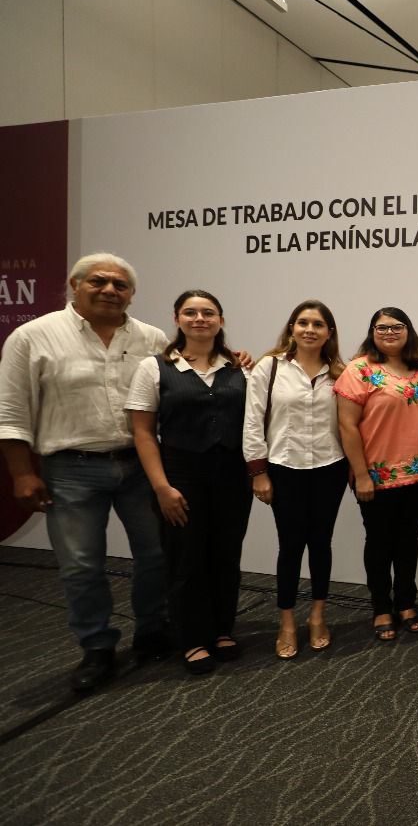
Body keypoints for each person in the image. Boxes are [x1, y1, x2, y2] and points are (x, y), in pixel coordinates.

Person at [0, 254, 170, 691]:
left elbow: (183, 382)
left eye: (120, 285)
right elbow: (11, 411)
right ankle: (96, 647)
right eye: (98, 281)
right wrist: (21, 473)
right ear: (75, 285)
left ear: (132, 294)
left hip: (139, 466)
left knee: (157, 554)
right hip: (70, 468)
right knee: (80, 565)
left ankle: (153, 630)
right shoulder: (32, 337)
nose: (109, 290)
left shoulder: (152, 338)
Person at [127, 289, 251, 675]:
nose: (200, 319)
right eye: (190, 312)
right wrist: (161, 488)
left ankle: (222, 629)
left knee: (225, 554)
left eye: (208, 313)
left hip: (232, 476)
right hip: (180, 476)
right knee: (185, 557)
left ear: (221, 320)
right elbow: (143, 433)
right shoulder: (154, 368)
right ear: (177, 319)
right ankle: (192, 637)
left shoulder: (240, 367)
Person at [242, 300, 347, 659]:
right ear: (291, 328)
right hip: (284, 468)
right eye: (302, 323)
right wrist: (258, 472)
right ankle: (286, 621)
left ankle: (318, 615)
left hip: (330, 468)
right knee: (290, 546)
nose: (309, 330)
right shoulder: (269, 367)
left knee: (321, 543)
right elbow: (252, 421)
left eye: (318, 324)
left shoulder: (340, 373)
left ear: (329, 332)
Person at [335, 307, 418, 642]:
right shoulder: (359, 370)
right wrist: (361, 474)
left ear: (408, 331)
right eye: (382, 328)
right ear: (372, 332)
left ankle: (406, 603)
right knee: (379, 542)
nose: (390, 332)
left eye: (397, 326)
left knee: (408, 540)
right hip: (376, 476)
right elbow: (347, 426)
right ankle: (381, 606)